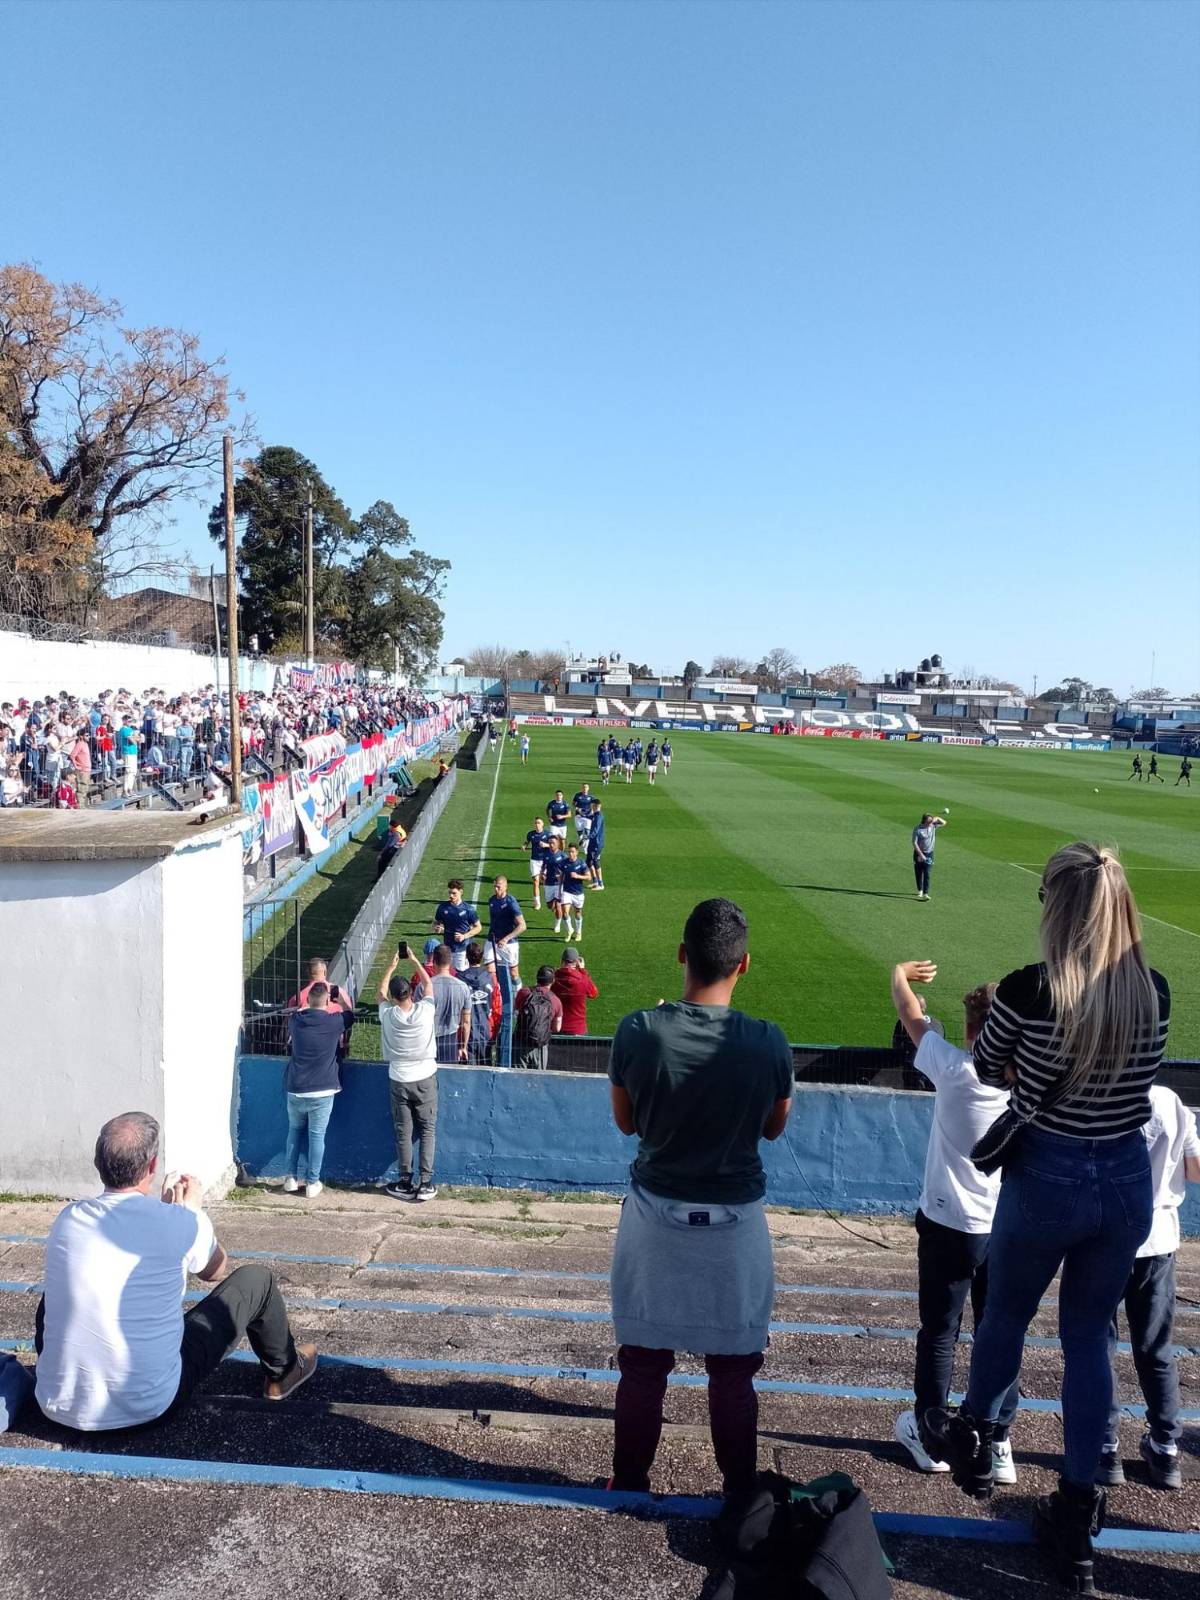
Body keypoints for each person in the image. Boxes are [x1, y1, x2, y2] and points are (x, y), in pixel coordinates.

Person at [925, 844, 1170, 1593]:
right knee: (1089, 1338)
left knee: (1004, 1318)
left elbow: (990, 1065)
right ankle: (1078, 1510)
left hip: (1051, 1173)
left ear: (1058, 910)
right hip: (1126, 1180)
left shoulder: (1032, 989)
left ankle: (974, 1433)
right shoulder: (1153, 991)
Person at [607, 898, 792, 1496]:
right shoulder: (769, 1041)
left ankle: (630, 1485)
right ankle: (739, 1497)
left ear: (682, 955)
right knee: (733, 1374)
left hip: (654, 1219)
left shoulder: (639, 1030)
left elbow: (626, 1124)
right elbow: (773, 1127)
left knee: (642, 1365)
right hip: (735, 1226)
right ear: (744, 966)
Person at [34, 1113, 316, 1432]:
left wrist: (173, 1214)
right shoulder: (180, 1222)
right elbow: (216, 1269)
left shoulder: (68, 1219)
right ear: (152, 1167)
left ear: (98, 1162)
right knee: (256, 1280)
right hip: (150, 1407)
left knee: (60, 1292)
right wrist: (192, 1213)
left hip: (56, 1406)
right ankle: (284, 1370)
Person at [888, 962, 1020, 1483]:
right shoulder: (1029, 1085)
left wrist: (900, 971)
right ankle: (997, 1439)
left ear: (970, 1031)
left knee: (940, 1332)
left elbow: (908, 1011)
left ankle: (932, 1433)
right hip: (1004, 1228)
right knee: (999, 1332)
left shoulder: (952, 1068)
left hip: (948, 1224)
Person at [1098, 1085, 1199, 1490]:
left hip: (1104, 1237)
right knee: (1156, 1348)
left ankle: (1105, 1448)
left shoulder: (1099, 1093)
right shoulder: (1171, 1100)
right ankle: (1165, 1448)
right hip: (1157, 1240)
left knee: (1098, 1345)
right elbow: (1194, 1168)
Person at [377, 946, 440, 1201]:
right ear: (410, 993)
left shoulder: (388, 1014)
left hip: (399, 1078)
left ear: (394, 997)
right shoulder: (424, 1010)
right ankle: (425, 1182)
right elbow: (429, 985)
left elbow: (379, 993)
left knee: (403, 1131)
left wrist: (391, 967)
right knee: (427, 1130)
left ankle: (405, 1180)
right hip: (424, 1076)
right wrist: (415, 961)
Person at [283, 983, 347, 1197]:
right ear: (328, 1002)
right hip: (322, 1090)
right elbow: (350, 1015)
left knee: (294, 1131)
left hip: (296, 1088)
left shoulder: (296, 1021)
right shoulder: (334, 1021)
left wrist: (308, 1004)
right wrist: (339, 1002)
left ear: (308, 1001)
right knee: (316, 1136)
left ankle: (290, 1178)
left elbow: (300, 1010)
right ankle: (312, 1182)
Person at [513, 965, 563, 1069]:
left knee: (518, 1079)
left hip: (521, 1043)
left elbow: (515, 1010)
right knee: (538, 1079)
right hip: (540, 1046)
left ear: (537, 977)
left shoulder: (524, 992)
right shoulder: (555, 1000)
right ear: (552, 981)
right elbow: (557, 1028)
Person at [430, 944, 472, 1063]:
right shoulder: (463, 987)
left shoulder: (425, 987)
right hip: (451, 1039)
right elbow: (466, 1022)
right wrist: (463, 1046)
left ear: (434, 961)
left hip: (429, 1039)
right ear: (450, 961)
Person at [484, 874, 526, 988]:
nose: (496, 889)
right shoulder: (491, 900)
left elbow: (522, 926)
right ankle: (496, 996)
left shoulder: (511, 902)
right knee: (490, 971)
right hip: (492, 940)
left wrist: (506, 939)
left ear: (506, 886)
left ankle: (518, 996)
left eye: (499, 887)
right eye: (495, 887)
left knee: (514, 973)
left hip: (509, 944)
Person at [433, 879, 482, 972]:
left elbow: (478, 927)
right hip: (447, 948)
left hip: (462, 949)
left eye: (454, 893)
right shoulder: (442, 907)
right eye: (450, 893)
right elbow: (436, 922)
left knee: (460, 975)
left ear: (461, 892)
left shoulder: (468, 909)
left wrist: (464, 936)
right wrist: (437, 928)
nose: (451, 896)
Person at [460, 940, 497, 1065]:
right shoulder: (491, 979)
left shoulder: (459, 980)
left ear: (466, 957)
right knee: (485, 1071)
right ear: (482, 958)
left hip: (466, 1033)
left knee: (468, 1074)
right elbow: (497, 1008)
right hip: (485, 1030)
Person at [553, 947, 598, 1036]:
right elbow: (594, 994)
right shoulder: (583, 979)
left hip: (556, 1027)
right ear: (577, 962)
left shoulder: (552, 978)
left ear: (562, 961)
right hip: (578, 1030)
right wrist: (583, 970)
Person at [911, 811, 946, 901]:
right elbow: (914, 843)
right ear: (924, 821)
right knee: (919, 873)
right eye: (929, 821)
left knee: (927, 873)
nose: (931, 823)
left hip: (929, 853)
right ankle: (920, 890)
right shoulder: (918, 829)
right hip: (919, 853)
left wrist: (937, 818)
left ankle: (926, 893)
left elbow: (944, 822)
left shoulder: (933, 826)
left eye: (931, 821)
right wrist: (921, 855)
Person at [522, 817, 553, 912]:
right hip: (534, 860)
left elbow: (555, 845)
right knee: (536, 881)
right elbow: (527, 841)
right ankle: (537, 902)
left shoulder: (548, 834)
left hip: (545, 860)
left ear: (542, 824)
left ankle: (549, 898)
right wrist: (524, 846)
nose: (537, 824)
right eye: (535, 823)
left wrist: (546, 845)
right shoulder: (531, 834)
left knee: (545, 880)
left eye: (539, 823)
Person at [560, 842, 589, 942]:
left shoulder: (581, 863)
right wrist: (559, 889)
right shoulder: (564, 863)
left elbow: (589, 877)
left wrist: (578, 876)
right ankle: (569, 930)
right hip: (567, 892)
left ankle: (578, 932)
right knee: (564, 913)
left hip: (578, 893)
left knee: (577, 913)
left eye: (572, 852)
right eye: (569, 852)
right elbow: (561, 876)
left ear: (576, 852)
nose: (571, 854)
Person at [543, 841, 567, 933]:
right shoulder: (546, 855)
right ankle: (554, 906)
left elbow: (567, 868)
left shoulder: (563, 856)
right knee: (550, 905)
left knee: (558, 905)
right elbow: (544, 866)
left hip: (559, 884)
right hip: (549, 883)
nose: (551, 845)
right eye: (550, 843)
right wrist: (543, 874)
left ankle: (557, 925)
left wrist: (563, 876)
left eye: (553, 843)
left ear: (557, 845)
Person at [117, 716, 141, 795]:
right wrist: (135, 737)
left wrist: (135, 737)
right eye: (128, 721)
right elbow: (133, 741)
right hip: (127, 752)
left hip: (133, 752)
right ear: (124, 721)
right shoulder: (124, 729)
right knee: (129, 771)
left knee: (133, 771)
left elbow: (139, 740)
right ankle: (125, 790)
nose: (130, 722)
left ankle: (130, 789)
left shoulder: (130, 729)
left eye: (131, 721)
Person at [586, 798, 606, 890]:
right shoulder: (595, 815)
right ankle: (595, 881)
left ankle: (601, 884)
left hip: (597, 843)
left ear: (594, 806)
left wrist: (587, 837)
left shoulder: (598, 816)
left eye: (592, 806)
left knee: (595, 861)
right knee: (588, 861)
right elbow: (589, 816)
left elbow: (595, 830)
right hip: (593, 841)